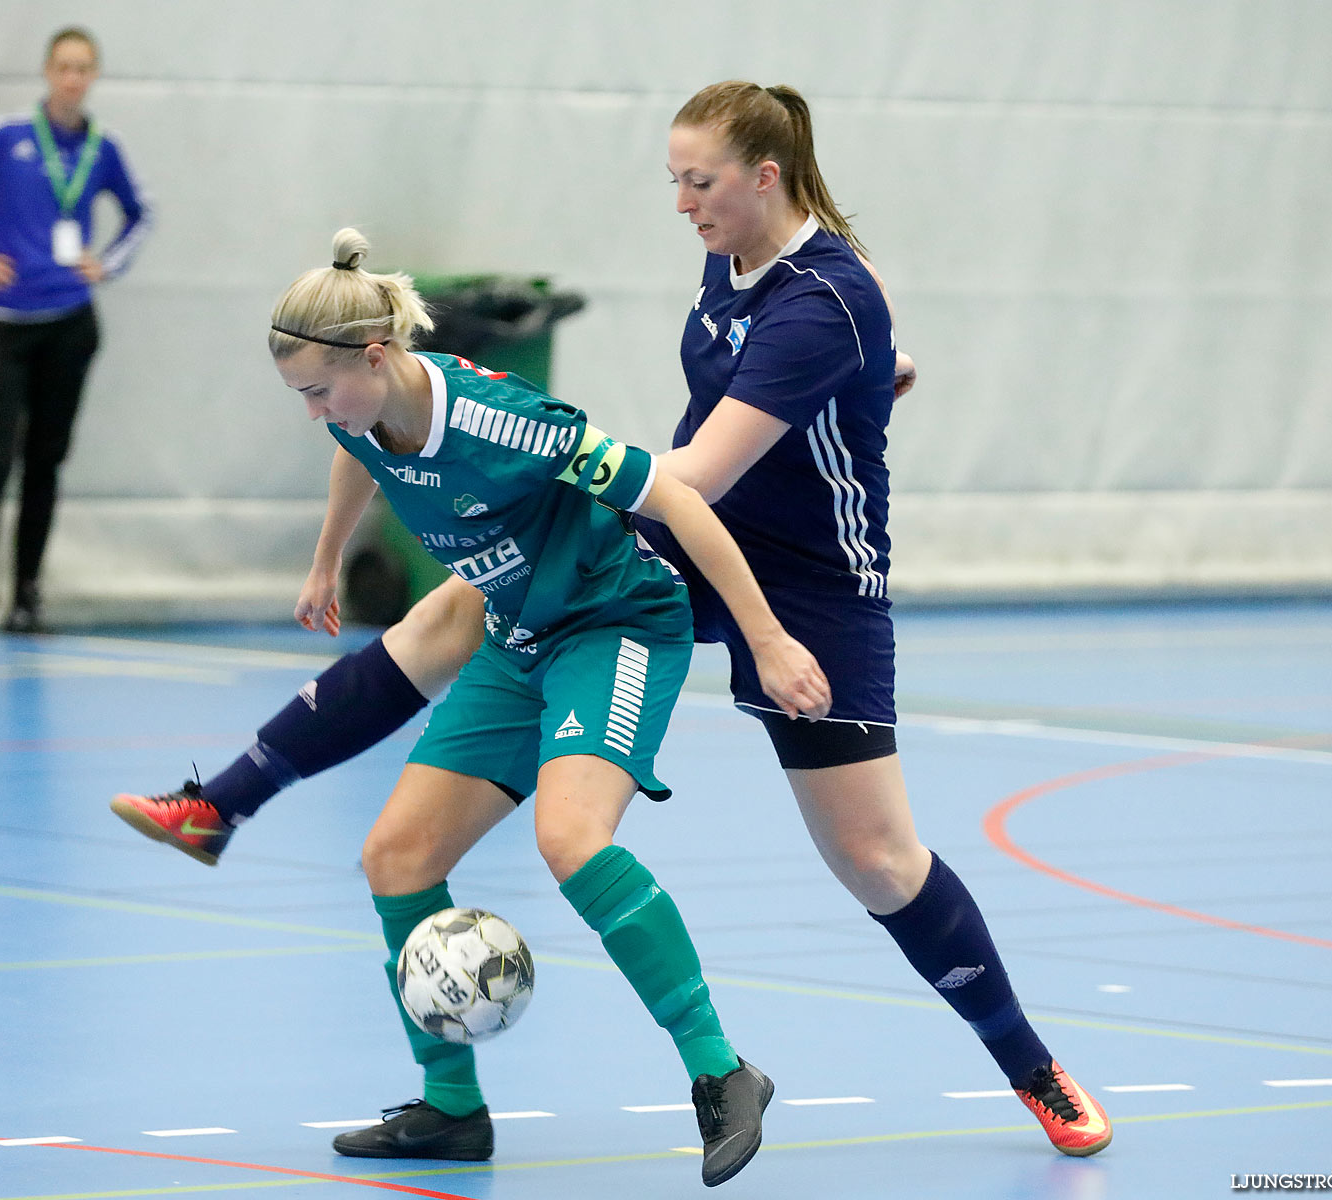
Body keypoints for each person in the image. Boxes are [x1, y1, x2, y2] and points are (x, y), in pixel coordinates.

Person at [113, 81, 1112, 1158]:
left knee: (875, 858)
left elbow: (696, 473)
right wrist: (873, 378)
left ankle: (1029, 1063)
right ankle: (226, 804)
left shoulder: (823, 302)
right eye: (674, 180)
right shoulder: (733, 265)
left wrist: (561, 472)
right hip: (692, 530)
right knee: (475, 598)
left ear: (762, 179)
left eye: (700, 182)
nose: (681, 202)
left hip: (810, 583)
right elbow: (802, 380)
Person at [133, 226, 827, 1184]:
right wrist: (328, 556)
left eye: (320, 390)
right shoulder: (359, 407)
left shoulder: (507, 421)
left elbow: (678, 501)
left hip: (613, 624)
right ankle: (452, 1109)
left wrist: (769, 638)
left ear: (377, 355)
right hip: (516, 632)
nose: (314, 414)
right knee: (396, 858)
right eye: (300, 396)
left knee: (570, 840)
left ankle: (722, 1071)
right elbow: (356, 446)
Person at [0, 26, 152, 637]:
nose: (73, 78)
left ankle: (27, 596)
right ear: (47, 71)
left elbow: (140, 212)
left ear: (94, 75)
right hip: (2, 325)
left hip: (69, 323)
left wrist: (109, 263)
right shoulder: (7, 136)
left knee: (46, 462)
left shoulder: (103, 146)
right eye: (64, 67)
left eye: (84, 68)